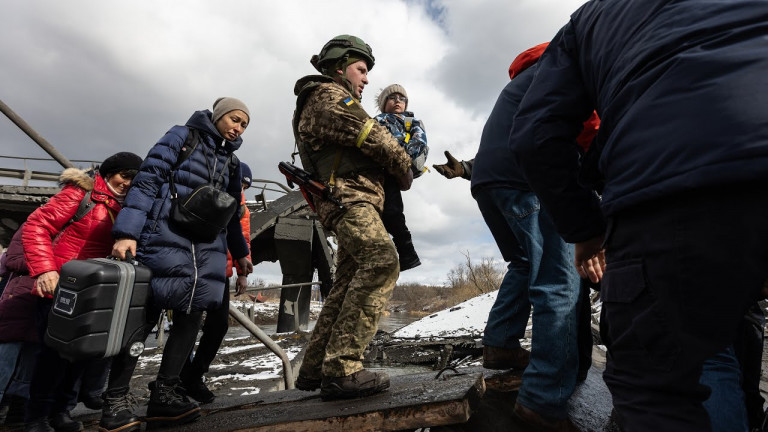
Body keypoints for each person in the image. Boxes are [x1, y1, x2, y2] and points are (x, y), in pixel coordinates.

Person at [508, 1, 768, 430]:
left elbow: (536, 135)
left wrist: (587, 231)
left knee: (674, 375)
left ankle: (538, 390)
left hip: (669, 193)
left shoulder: (591, 18)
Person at [433, 43, 598, 431]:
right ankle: (544, 399)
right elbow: (589, 128)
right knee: (560, 280)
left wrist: (467, 169)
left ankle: (501, 342)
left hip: (490, 183)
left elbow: (511, 134)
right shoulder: (569, 66)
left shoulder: (524, 80)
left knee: (525, 264)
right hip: (529, 180)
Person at [104, 98, 253, 431]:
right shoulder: (182, 136)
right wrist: (127, 232)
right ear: (218, 116)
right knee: (144, 317)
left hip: (204, 249)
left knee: (192, 314)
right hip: (164, 236)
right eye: (234, 119)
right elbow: (148, 179)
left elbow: (229, 213)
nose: (238, 127)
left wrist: (241, 253)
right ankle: (114, 401)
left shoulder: (231, 162)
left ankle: (166, 394)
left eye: (243, 124)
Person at [291, 34, 413, 400]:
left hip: (354, 200)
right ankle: (342, 369)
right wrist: (404, 166)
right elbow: (375, 137)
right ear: (339, 66)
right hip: (349, 199)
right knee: (381, 262)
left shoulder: (327, 97)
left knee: (345, 284)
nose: (366, 78)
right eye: (361, 69)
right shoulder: (327, 96)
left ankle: (314, 369)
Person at [19, 152, 143, 432]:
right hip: (61, 287)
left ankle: (62, 412)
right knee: (52, 356)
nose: (127, 183)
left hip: (94, 293)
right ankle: (36, 417)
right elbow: (36, 226)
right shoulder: (81, 195)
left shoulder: (131, 209)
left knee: (81, 355)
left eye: (133, 179)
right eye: (123, 175)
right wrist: (44, 270)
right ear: (109, 172)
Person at [180, 161, 253, 404]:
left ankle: (193, 375)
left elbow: (243, 239)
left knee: (219, 324)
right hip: (198, 268)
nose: (241, 188)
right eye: (240, 183)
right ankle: (176, 378)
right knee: (187, 325)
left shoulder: (242, 210)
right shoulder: (210, 195)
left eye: (244, 185)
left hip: (222, 272)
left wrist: (242, 272)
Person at [373, 84, 428, 271]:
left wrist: (401, 158)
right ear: (383, 103)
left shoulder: (411, 122)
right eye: (392, 98)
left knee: (393, 210)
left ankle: (407, 253)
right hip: (376, 170)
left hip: (396, 169)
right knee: (378, 212)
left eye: (402, 99)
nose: (398, 101)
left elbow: (419, 141)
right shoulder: (376, 120)